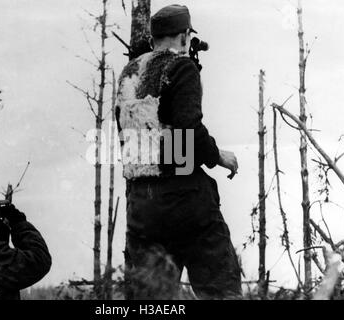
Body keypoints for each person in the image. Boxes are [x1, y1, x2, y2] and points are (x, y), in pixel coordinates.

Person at [116, 4, 241, 299]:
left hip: (141, 205)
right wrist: (218, 156)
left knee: (151, 299)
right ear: (185, 35)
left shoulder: (129, 73)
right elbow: (189, 130)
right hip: (184, 198)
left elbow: (134, 132)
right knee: (220, 289)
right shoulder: (180, 67)